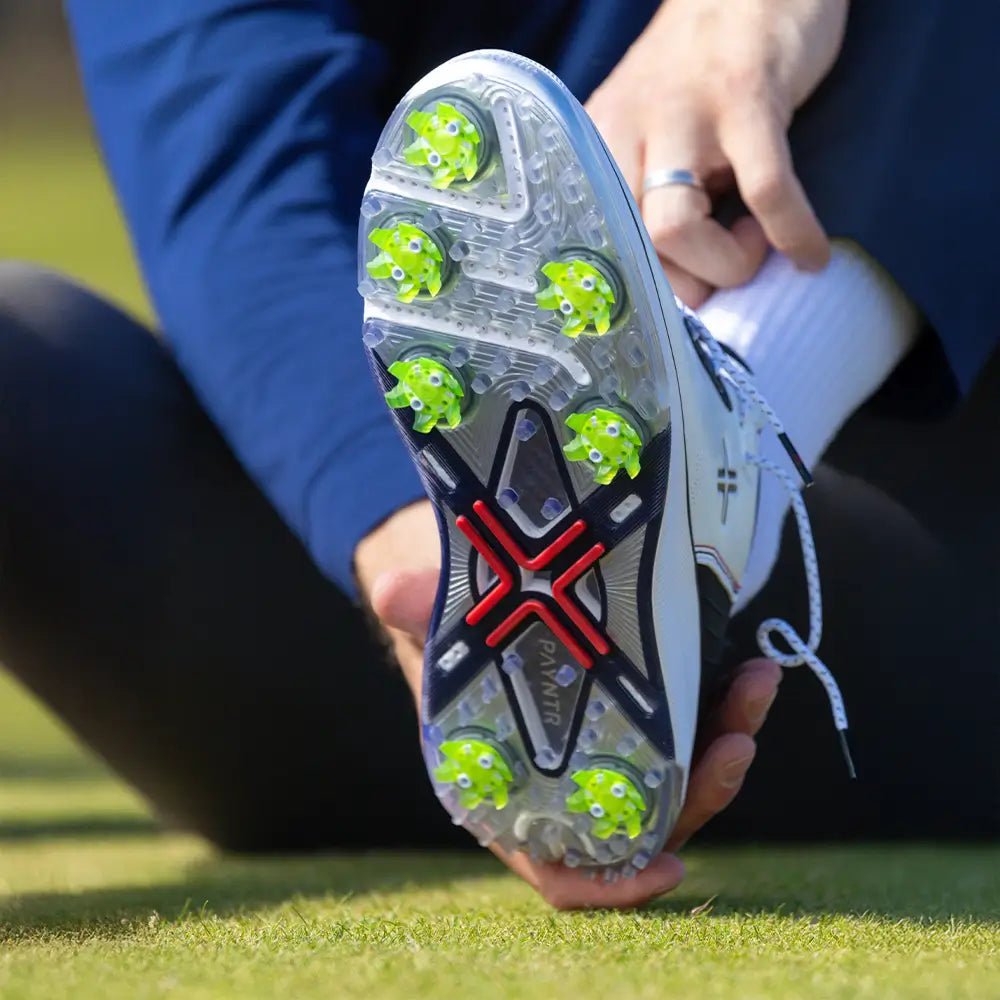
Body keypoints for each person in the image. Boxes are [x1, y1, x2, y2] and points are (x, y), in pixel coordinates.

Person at [0, 0, 996, 909]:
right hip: (430, 653)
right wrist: (429, 560)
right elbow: (244, 180)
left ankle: (739, 419)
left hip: (922, 549)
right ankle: (664, 516)